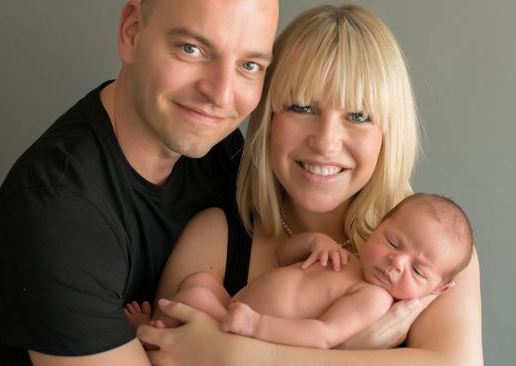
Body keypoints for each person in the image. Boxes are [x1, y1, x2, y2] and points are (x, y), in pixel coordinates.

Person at [137, 4, 483, 366]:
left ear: (389, 133)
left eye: (358, 116)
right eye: (302, 108)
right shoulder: (214, 236)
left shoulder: (435, 249)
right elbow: (163, 350)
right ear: (268, 116)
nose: (325, 142)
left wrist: (236, 353)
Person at [0, 0, 278, 365]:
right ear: (131, 32)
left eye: (249, 65)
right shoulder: (56, 213)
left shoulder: (218, 150)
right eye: (191, 48)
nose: (221, 95)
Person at [126, 193, 473, 349]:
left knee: (193, 299)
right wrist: (314, 243)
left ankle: (152, 339)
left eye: (418, 270)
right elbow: (282, 255)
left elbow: (323, 335)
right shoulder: (347, 260)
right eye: (393, 243)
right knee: (198, 284)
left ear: (438, 289)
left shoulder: (373, 299)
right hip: (233, 308)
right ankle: (154, 335)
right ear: (379, 225)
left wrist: (256, 325)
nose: (397, 263)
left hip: (248, 332)